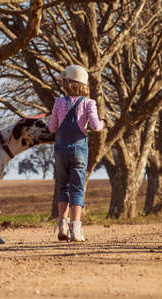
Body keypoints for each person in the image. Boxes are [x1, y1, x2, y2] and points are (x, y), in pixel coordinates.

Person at [48, 65, 105, 242]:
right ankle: (76, 231)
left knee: (62, 186)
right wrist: (102, 123)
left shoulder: (58, 102)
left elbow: (52, 127)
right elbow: (95, 126)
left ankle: (62, 226)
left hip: (61, 150)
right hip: (79, 149)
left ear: (67, 83)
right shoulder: (89, 103)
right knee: (77, 188)